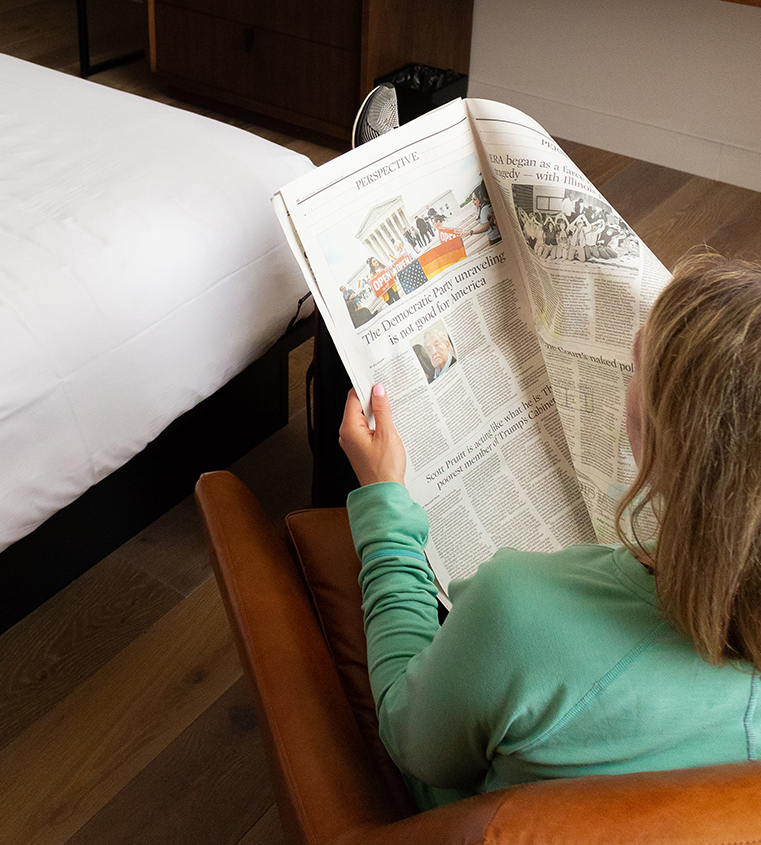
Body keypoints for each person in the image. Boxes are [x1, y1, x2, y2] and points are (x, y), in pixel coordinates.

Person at [337, 250, 761, 811]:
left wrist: (384, 504)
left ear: (674, 450)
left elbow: (412, 738)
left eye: (640, 367)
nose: (632, 354)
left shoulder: (515, 608)